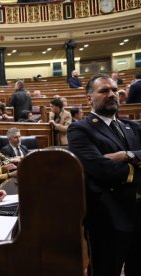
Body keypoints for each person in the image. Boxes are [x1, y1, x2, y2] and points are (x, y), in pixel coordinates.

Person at [67, 73, 141, 276]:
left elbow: (112, 166)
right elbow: (101, 169)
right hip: (108, 218)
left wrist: (126, 155)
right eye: (104, 91)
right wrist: (138, 164)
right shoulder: (79, 129)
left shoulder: (133, 126)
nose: (112, 94)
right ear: (89, 98)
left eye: (115, 90)